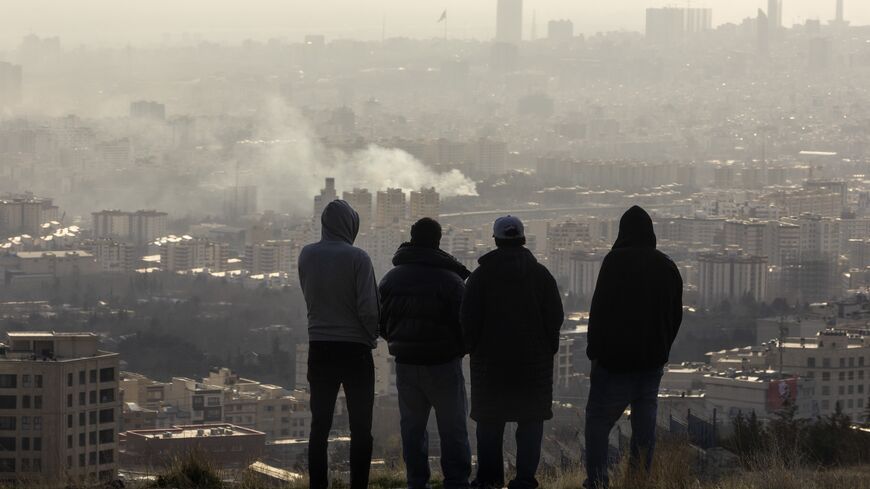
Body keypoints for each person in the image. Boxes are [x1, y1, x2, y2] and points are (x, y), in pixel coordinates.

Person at [461, 216, 565, 489]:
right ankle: (524, 480)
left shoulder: (480, 277)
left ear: (495, 240)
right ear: (523, 239)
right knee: (530, 422)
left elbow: (467, 320)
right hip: (533, 368)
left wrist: (475, 350)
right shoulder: (541, 275)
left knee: (489, 424)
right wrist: (547, 350)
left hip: (490, 367)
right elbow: (555, 317)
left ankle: (489, 480)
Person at [583, 205, 683, 489]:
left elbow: (599, 311)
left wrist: (595, 355)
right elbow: (675, 316)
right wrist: (662, 349)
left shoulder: (614, 262)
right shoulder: (667, 266)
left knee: (599, 424)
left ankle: (598, 482)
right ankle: (638, 480)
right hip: (651, 365)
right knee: (644, 431)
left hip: (614, 363)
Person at [379, 217, 473, 489]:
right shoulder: (452, 280)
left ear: (412, 237)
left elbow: (381, 323)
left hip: (406, 365)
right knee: (453, 429)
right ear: (438, 241)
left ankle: (416, 481)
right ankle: (456, 482)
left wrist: (400, 342)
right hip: (444, 364)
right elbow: (466, 325)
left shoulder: (390, 279)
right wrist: (460, 350)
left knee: (412, 429)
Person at [298, 200, 380, 489]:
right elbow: (369, 309)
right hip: (355, 351)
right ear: (350, 225)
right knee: (361, 427)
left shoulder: (307, 255)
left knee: (319, 425)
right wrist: (372, 336)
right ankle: (359, 485)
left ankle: (318, 485)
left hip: (319, 348)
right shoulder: (359, 258)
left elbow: (310, 296)